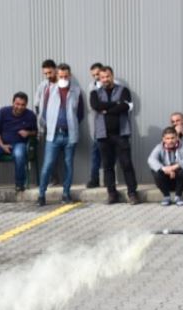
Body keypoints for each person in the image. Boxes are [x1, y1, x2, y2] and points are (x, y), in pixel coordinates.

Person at [89, 66, 138, 204]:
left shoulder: (123, 90)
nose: (105, 79)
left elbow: (125, 107)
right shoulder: (94, 93)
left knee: (126, 164)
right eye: (102, 77)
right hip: (103, 135)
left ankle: (132, 193)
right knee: (107, 166)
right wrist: (115, 104)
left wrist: (107, 109)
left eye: (107, 76)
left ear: (112, 76)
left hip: (121, 134)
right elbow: (96, 106)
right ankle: (112, 194)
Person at [37, 63, 84, 206]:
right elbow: (42, 111)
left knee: (68, 165)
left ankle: (66, 194)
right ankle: (41, 194)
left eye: (65, 76)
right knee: (48, 165)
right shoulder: (49, 90)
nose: (63, 78)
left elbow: (80, 113)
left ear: (69, 76)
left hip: (70, 135)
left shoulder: (76, 90)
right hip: (53, 135)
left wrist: (72, 125)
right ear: (57, 76)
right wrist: (47, 126)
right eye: (60, 76)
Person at [0, 92, 38, 193]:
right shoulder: (3, 112)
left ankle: (19, 183)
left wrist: (28, 133)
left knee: (19, 154)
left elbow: (35, 132)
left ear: (26, 105)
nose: (20, 107)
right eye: (17, 104)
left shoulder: (30, 115)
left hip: (19, 144)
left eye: (23, 105)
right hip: (2, 143)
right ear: (13, 103)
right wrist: (2, 145)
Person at [148, 126, 183, 206]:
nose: (170, 141)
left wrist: (174, 167)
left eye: (172, 138)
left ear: (177, 137)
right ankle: (166, 196)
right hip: (166, 179)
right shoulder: (159, 147)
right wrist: (164, 169)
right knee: (155, 171)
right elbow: (151, 159)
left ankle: (178, 196)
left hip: (181, 180)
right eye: (167, 138)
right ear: (163, 139)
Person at [35, 59, 64, 187]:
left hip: (60, 124)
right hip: (46, 125)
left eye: (50, 73)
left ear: (55, 70)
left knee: (64, 154)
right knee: (49, 154)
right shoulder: (43, 85)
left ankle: (64, 179)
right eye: (45, 74)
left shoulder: (62, 84)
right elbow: (37, 103)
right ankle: (54, 178)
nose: (48, 76)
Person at [86, 62, 104, 188]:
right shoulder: (91, 86)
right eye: (94, 75)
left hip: (111, 126)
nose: (96, 77)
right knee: (96, 154)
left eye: (98, 74)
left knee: (110, 155)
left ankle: (109, 180)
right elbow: (91, 106)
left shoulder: (114, 85)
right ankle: (94, 179)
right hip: (97, 126)